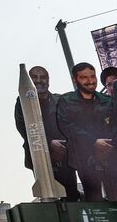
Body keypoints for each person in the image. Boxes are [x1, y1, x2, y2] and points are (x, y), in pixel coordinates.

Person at [14, 65, 81, 201]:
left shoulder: (60, 101)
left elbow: (71, 126)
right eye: (34, 77)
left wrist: (63, 145)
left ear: (48, 81)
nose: (39, 80)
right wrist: (49, 144)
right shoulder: (22, 102)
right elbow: (25, 129)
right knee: (49, 202)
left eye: (43, 77)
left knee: (71, 197)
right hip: (40, 157)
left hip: (65, 158)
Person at [56, 62, 117, 200]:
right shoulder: (66, 101)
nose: (90, 81)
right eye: (84, 77)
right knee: (95, 203)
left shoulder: (107, 101)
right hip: (85, 161)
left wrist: (108, 145)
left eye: (92, 76)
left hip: (111, 158)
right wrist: (93, 143)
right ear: (75, 79)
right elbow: (66, 127)